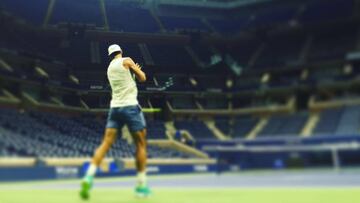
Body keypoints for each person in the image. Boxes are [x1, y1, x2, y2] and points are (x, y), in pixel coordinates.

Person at [80, 44, 150, 199]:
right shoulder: (127, 60)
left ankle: (88, 176)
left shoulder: (109, 68)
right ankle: (141, 186)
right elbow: (143, 78)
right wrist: (136, 69)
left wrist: (131, 73)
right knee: (141, 145)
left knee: (105, 144)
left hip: (115, 109)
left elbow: (126, 80)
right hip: (130, 107)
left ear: (110, 55)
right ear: (121, 52)